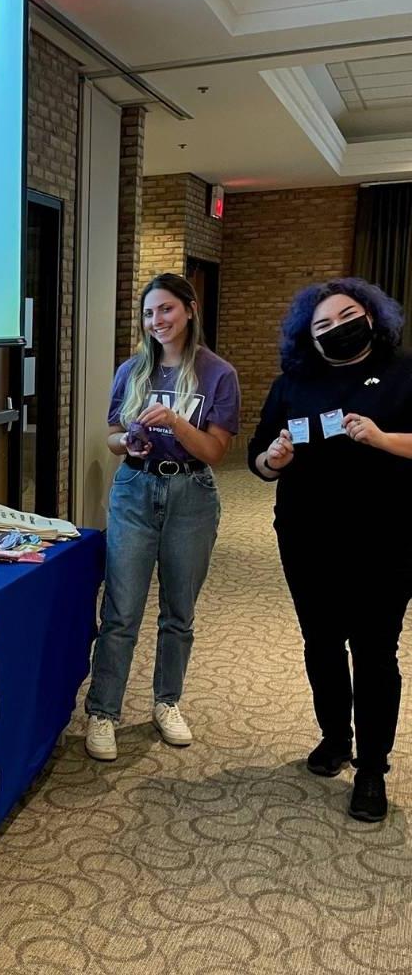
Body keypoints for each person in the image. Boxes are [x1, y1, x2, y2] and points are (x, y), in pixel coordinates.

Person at [248, 278, 412, 822]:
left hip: (385, 541)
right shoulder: (293, 384)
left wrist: (384, 438)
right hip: (307, 537)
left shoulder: (403, 374)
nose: (336, 329)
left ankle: (372, 768)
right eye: (322, 325)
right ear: (308, 338)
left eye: (346, 316)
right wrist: (273, 458)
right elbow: (258, 459)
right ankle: (335, 737)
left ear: (370, 316)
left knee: (373, 653)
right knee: (320, 642)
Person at [85, 273, 240, 761]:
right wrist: (127, 442)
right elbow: (112, 436)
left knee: (179, 613)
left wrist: (174, 421)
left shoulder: (218, 374)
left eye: (167, 310)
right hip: (134, 490)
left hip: (191, 494)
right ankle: (103, 712)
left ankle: (166, 702)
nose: (157, 321)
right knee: (121, 610)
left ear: (190, 310)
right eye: (149, 313)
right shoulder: (131, 369)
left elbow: (215, 450)